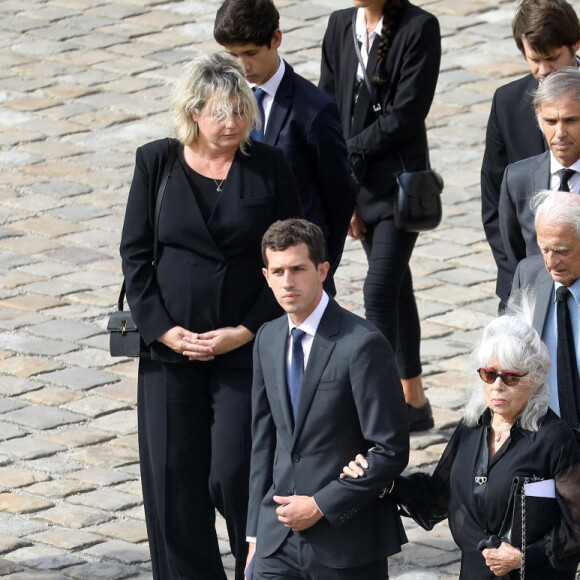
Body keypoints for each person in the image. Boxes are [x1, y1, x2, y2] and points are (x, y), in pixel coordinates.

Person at [119, 52, 300, 580]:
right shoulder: (156, 162)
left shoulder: (268, 166)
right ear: (194, 113)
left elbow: (290, 256)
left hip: (244, 348)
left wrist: (243, 331)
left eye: (241, 111)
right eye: (221, 113)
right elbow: (135, 255)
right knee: (173, 478)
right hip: (169, 353)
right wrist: (164, 330)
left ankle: (258, 569)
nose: (232, 123)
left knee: (235, 470)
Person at [343, 310, 580, 579]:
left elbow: (576, 527)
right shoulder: (472, 427)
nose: (497, 387)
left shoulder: (553, 439)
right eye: (489, 375)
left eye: (511, 377)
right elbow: (438, 495)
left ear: (536, 379)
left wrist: (523, 557)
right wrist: (383, 481)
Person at [247, 219, 409, 579]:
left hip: (345, 543)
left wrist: (320, 504)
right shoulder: (267, 339)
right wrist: (255, 537)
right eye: (278, 271)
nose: (287, 282)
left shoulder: (362, 344)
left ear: (322, 270)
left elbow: (391, 449)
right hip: (276, 544)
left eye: (298, 269)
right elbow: (264, 443)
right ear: (266, 275)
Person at [318, 0, 441, 431]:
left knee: (378, 289)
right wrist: (343, 184)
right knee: (395, 286)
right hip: (356, 184)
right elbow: (328, 105)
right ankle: (414, 402)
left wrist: (349, 153)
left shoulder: (419, 27)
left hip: (398, 189)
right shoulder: (339, 25)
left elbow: (407, 114)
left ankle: (379, 411)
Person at [213, 0, 356, 296]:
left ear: (276, 39)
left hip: (294, 273)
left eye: (250, 53)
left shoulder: (313, 110)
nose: (242, 66)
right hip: (240, 267)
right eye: (233, 55)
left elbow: (339, 193)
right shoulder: (220, 103)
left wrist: (318, 262)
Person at [481, 0, 580, 306]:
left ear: (576, 45)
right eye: (534, 60)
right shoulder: (507, 103)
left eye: (552, 58)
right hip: (526, 293)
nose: (543, 70)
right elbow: (495, 202)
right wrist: (520, 283)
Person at [499, 66, 580, 299]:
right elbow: (515, 257)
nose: (560, 132)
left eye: (571, 120)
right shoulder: (518, 178)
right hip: (542, 308)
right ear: (537, 116)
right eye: (551, 121)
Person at [512, 190, 580, 429]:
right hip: (546, 435)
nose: (551, 263)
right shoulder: (529, 275)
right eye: (544, 249)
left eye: (562, 250)